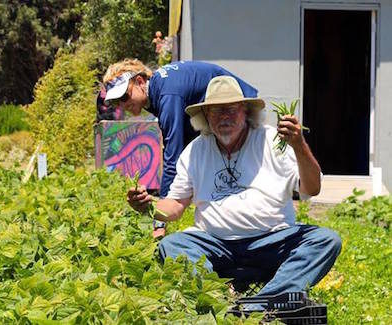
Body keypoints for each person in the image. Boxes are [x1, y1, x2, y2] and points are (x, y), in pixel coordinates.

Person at [126, 76, 341, 304]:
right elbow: (176, 205)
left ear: (246, 111)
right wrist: (149, 206)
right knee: (172, 245)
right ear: (206, 116)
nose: (224, 117)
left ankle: (258, 305)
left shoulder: (272, 140)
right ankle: (220, 299)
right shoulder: (195, 151)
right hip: (215, 245)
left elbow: (312, 188)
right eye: (216, 111)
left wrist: (298, 145)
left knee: (325, 240)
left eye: (231, 109)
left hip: (271, 241)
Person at [103, 59, 259, 235]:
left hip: (237, 108)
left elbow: (172, 156)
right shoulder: (158, 89)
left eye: (124, 96)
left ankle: (244, 226)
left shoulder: (167, 95)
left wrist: (159, 224)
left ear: (139, 81)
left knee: (240, 173)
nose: (123, 105)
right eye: (117, 102)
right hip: (216, 113)